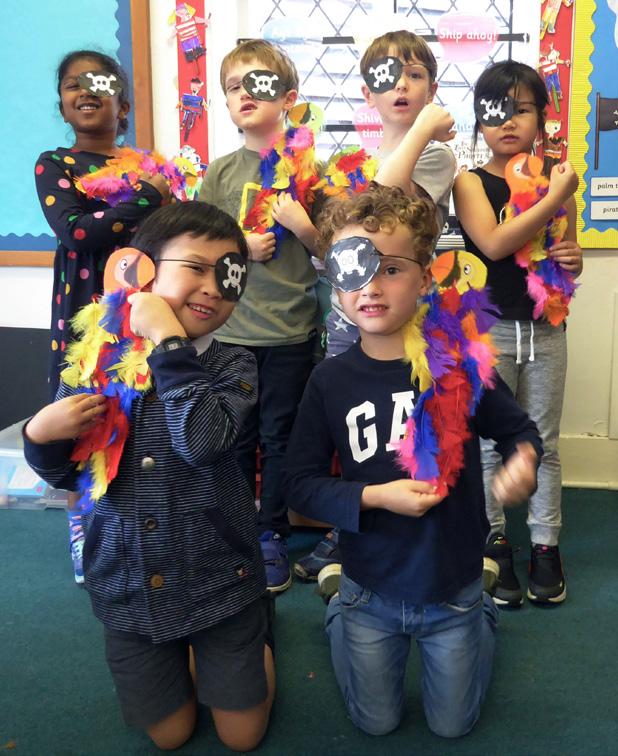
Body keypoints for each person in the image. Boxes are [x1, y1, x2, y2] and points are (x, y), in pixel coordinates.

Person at [283, 183, 542, 738]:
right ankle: (336, 608)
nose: (371, 286)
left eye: (392, 269)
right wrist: (375, 497)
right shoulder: (328, 381)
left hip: (453, 584)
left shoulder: (458, 367)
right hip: (368, 587)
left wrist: (522, 460)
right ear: (335, 282)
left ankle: (483, 611)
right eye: (353, 270)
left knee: (453, 726)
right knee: (375, 722)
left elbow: (519, 431)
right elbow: (298, 485)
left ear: (425, 279)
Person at [22, 202, 275, 752]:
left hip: (220, 576)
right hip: (129, 578)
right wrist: (40, 436)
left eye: (229, 275)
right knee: (169, 735)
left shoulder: (234, 365)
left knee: (242, 737)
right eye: (196, 268)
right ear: (142, 270)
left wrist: (169, 341)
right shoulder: (95, 361)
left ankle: (256, 641)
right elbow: (69, 475)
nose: (213, 288)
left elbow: (203, 442)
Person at [294, 29, 456, 581]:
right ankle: (347, 527)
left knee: (401, 426)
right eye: (388, 77)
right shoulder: (350, 163)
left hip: (405, 319)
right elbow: (336, 248)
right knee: (350, 428)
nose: (402, 85)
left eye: (415, 75)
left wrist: (426, 126)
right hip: (347, 320)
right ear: (368, 93)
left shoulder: (435, 155)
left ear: (432, 88)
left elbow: (384, 198)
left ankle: (412, 524)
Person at [35, 50, 169, 583]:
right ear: (62, 104)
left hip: (142, 311)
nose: (87, 90)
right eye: (74, 84)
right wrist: (147, 199)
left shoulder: (147, 167)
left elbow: (168, 234)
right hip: (82, 315)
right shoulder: (55, 163)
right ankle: (82, 528)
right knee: (82, 416)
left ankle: (140, 527)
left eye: (100, 82)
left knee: (140, 415)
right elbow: (78, 232)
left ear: (124, 105)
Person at [452, 60, 583, 607]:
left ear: (541, 118)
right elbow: (495, 244)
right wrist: (556, 195)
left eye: (521, 109)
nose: (507, 121)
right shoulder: (470, 182)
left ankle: (546, 545)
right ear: (478, 120)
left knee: (543, 443)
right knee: (491, 443)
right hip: (491, 331)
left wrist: (574, 259)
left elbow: (568, 254)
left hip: (546, 331)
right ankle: (495, 542)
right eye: (494, 110)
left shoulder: (558, 179)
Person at [199, 39, 321, 593]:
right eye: (232, 87)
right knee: (231, 436)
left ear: (288, 97)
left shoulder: (314, 172)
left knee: (278, 438)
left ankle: (271, 532)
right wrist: (239, 245)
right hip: (229, 332)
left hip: (290, 331)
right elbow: (198, 249)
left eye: (258, 83)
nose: (244, 94)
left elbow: (335, 252)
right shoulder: (220, 173)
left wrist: (302, 226)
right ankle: (232, 531)